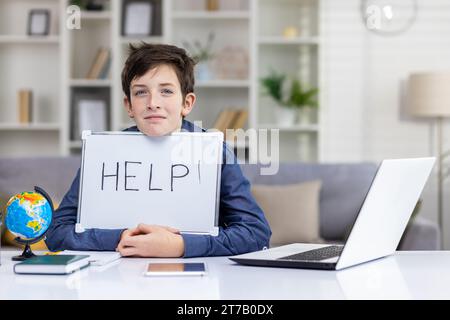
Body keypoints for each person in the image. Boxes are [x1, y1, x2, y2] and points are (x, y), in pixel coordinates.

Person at [45, 43, 271, 257]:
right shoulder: (104, 153)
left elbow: (257, 233)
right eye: (141, 92)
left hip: (194, 278)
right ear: (129, 106)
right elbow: (56, 232)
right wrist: (121, 238)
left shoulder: (214, 151)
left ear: (187, 103)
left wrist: (180, 245)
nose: (153, 102)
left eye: (166, 91)